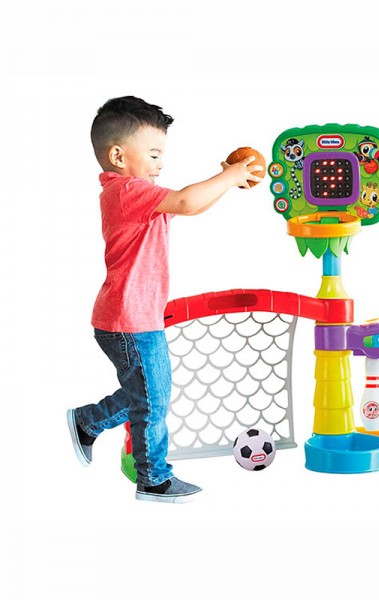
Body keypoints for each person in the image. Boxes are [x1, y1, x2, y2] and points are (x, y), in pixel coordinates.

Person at [67, 96, 263, 503]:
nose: (161, 164)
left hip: (135, 317)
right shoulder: (127, 191)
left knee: (150, 396)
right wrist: (228, 176)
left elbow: (191, 206)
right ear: (118, 156)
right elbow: (188, 201)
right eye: (154, 154)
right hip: (129, 320)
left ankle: (87, 421)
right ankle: (153, 479)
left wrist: (226, 181)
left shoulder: (141, 195)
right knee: (152, 401)